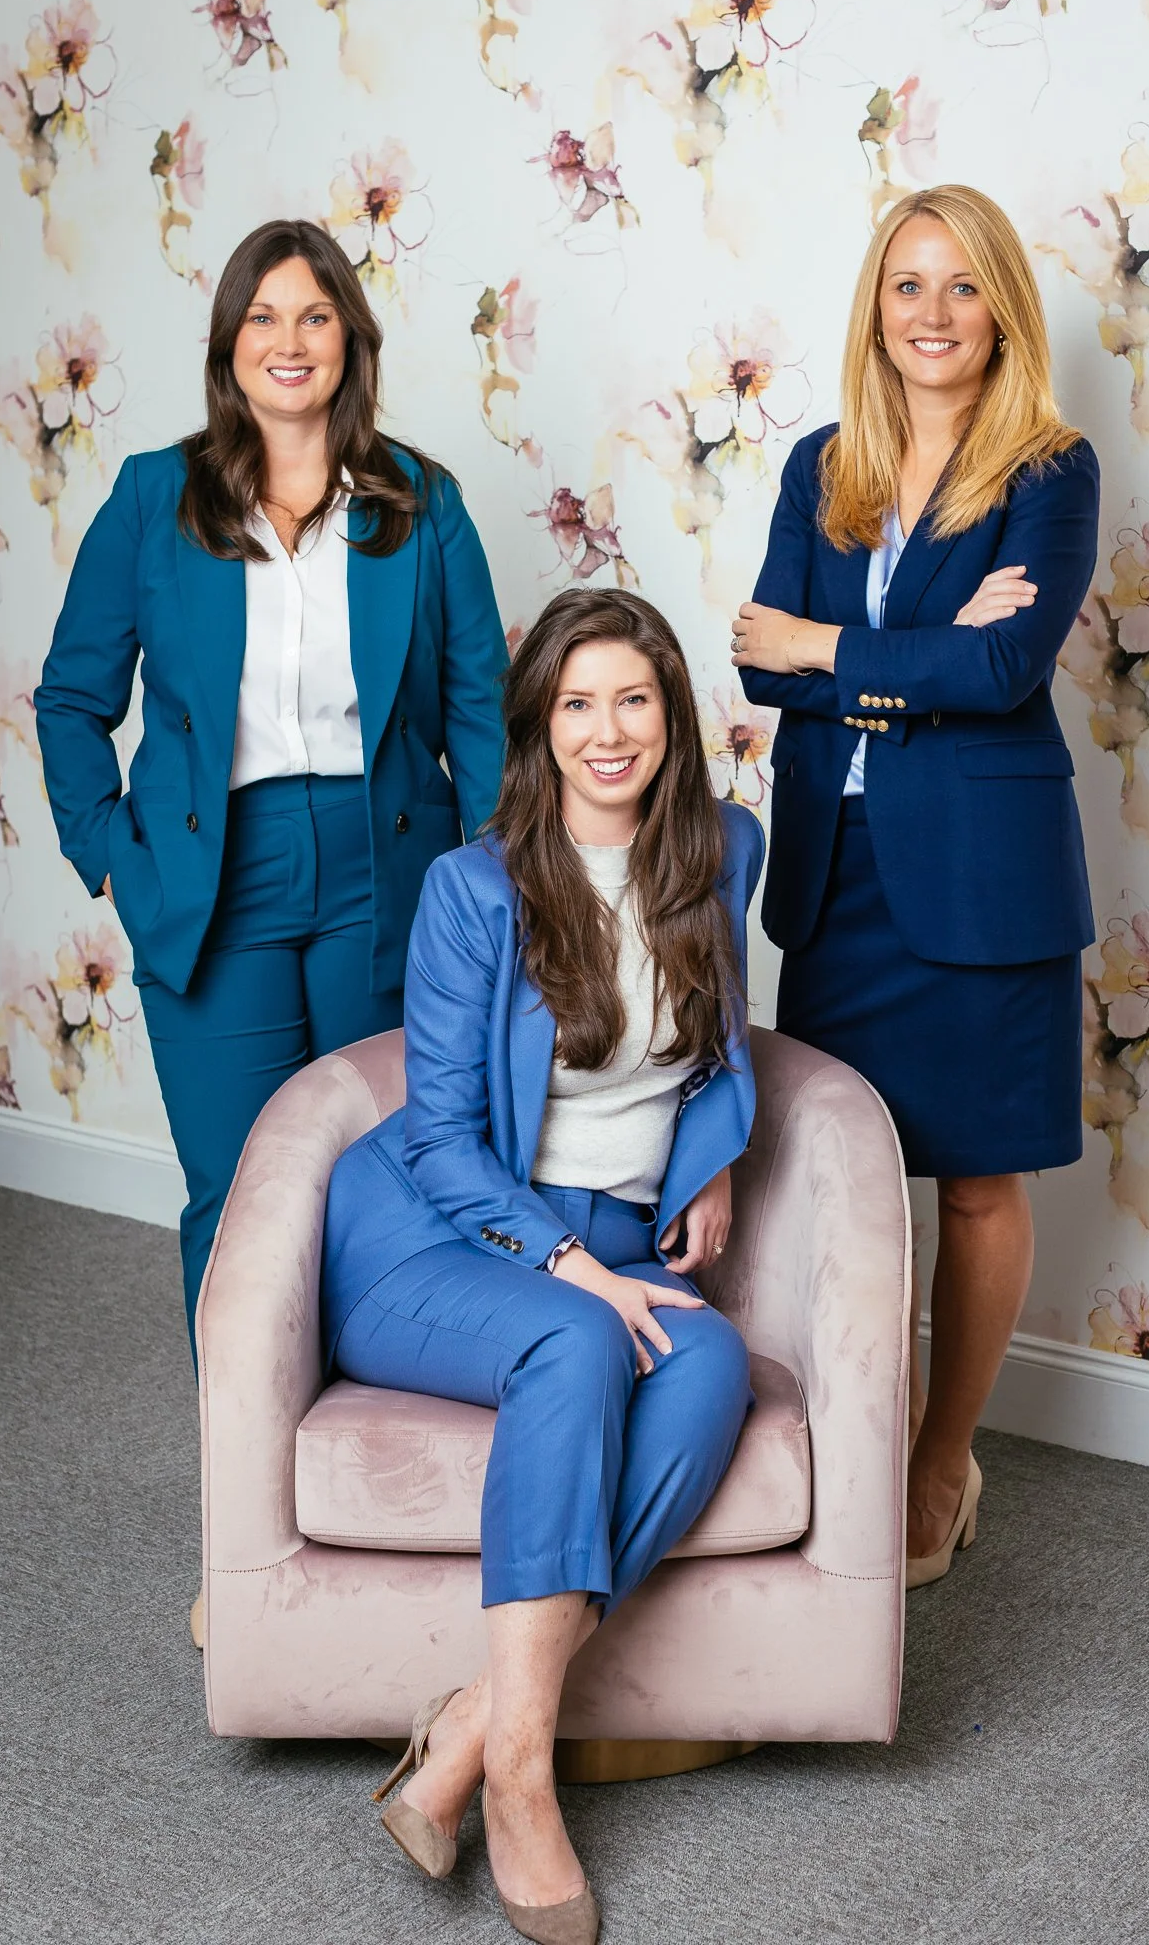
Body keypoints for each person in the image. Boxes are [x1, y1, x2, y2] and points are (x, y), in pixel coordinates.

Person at [321, 589, 762, 1944]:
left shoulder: (723, 851)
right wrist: (572, 1263)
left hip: (613, 1238)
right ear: (541, 728)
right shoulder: (475, 889)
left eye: (632, 698)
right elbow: (447, 1143)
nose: (607, 730)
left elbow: (718, 1042)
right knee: (581, 1340)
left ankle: (471, 1721)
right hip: (432, 1239)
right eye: (576, 704)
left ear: (670, 719)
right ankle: (521, 1779)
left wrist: (713, 1154)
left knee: (706, 1368)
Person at [36, 219, 509, 1366]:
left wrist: (496, 883)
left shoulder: (420, 503)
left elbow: (481, 710)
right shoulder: (157, 498)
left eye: (314, 314)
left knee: (382, 1172)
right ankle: (245, 1469)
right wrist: (111, 852)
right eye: (263, 316)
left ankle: (366, 1433)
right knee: (236, 1185)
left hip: (382, 869)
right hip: (210, 874)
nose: (289, 341)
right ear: (229, 342)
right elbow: (70, 699)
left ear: (349, 336)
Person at [731, 183, 1099, 1590]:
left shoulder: (1048, 472)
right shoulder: (824, 462)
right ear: (873, 309)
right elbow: (756, 659)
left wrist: (834, 654)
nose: (932, 315)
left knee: (977, 1187)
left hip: (984, 880)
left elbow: (1004, 671)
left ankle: (943, 1456)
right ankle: (851, 1434)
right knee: (841, 1175)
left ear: (1000, 307)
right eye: (906, 286)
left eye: (959, 287)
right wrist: (903, 656)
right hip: (846, 872)